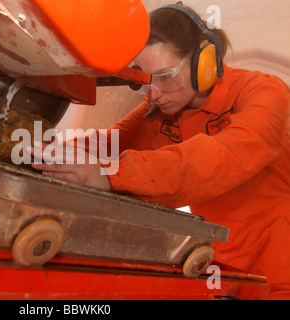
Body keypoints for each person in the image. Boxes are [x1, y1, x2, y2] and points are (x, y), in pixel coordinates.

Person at [30, 3, 290, 299]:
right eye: (144, 82)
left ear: (204, 62)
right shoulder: (161, 108)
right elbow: (109, 143)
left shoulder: (263, 91)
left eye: (167, 76)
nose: (154, 94)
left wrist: (110, 173)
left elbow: (223, 156)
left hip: (280, 258)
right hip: (219, 259)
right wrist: (43, 155)